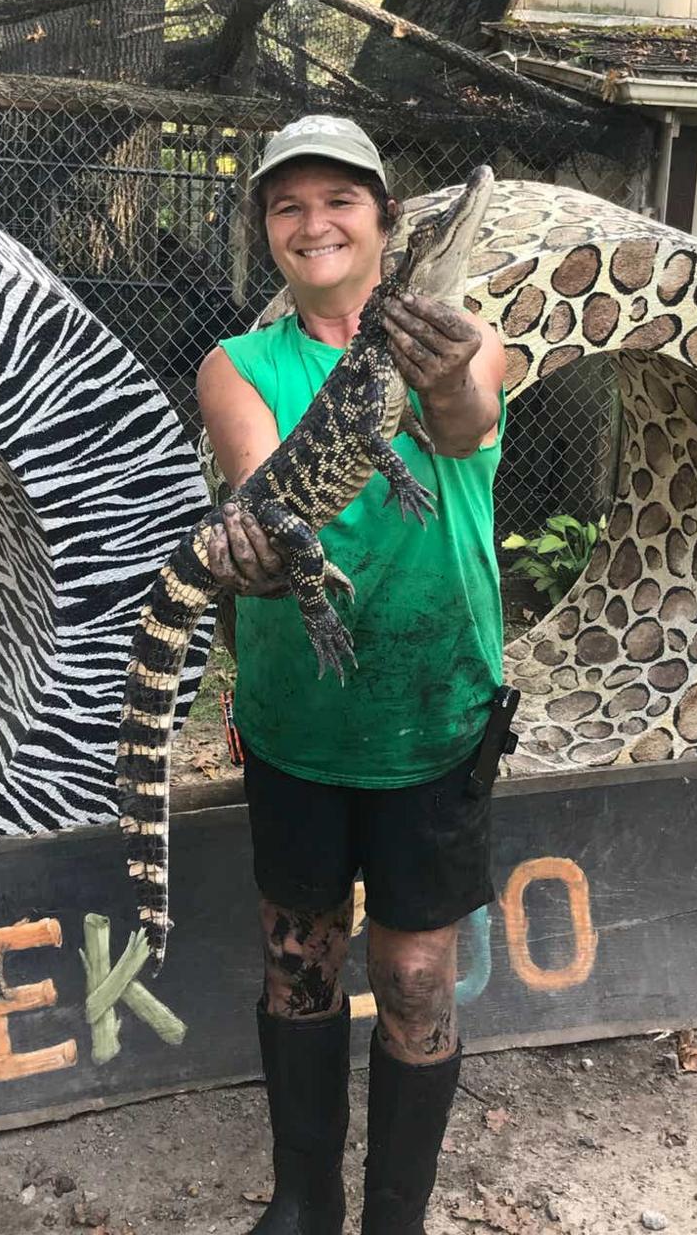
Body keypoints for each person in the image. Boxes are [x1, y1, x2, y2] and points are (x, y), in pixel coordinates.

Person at [196, 116, 507, 1235]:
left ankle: (397, 1216)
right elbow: (254, 471)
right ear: (269, 234)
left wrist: (449, 374)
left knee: (418, 972)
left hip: (435, 715)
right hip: (298, 719)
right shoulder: (241, 363)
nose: (313, 221)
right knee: (300, 952)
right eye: (287, 204)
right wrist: (256, 546)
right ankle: (304, 1200)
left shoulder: (463, 343)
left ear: (383, 221)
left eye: (339, 199)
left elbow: (464, 423)